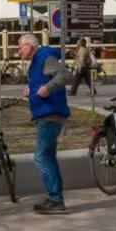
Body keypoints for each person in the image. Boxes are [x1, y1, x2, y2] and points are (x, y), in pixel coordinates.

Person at [17, 33, 71, 214]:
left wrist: (47, 88)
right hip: (45, 115)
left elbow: (64, 75)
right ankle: (55, 198)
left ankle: (56, 199)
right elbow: (42, 83)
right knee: (48, 156)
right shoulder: (36, 63)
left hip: (50, 116)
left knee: (41, 157)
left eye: (20, 47)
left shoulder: (45, 58)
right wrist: (31, 90)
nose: (18, 51)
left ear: (29, 46)